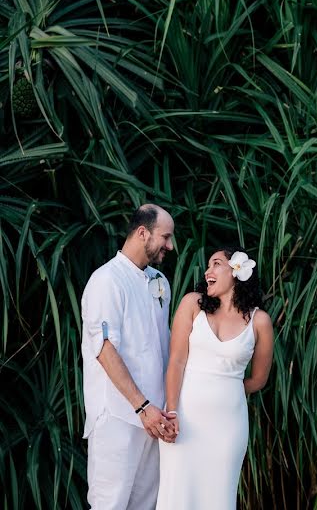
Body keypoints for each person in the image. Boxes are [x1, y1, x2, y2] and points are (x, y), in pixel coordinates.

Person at [157, 245, 274, 509]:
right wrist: (172, 412)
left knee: (218, 498)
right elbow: (175, 361)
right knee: (177, 496)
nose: (208, 271)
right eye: (208, 265)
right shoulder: (192, 304)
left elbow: (258, 380)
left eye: (216, 264)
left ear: (237, 271)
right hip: (183, 420)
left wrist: (225, 388)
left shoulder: (260, 322)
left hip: (228, 427)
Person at [81, 204, 177, 509]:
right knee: (110, 503)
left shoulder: (161, 281)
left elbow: (165, 347)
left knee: (146, 506)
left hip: (153, 419)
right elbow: (104, 350)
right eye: (166, 237)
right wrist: (142, 406)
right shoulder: (106, 280)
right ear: (141, 233)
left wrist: (163, 409)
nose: (170, 246)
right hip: (118, 417)